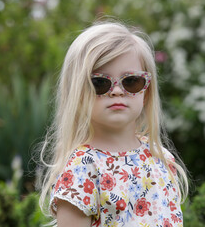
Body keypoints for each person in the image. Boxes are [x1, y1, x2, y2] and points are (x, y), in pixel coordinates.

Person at [38, 21, 189, 227]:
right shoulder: (83, 169)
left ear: (146, 92)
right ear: (78, 94)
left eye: (131, 81)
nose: (117, 91)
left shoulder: (161, 158)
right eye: (100, 83)